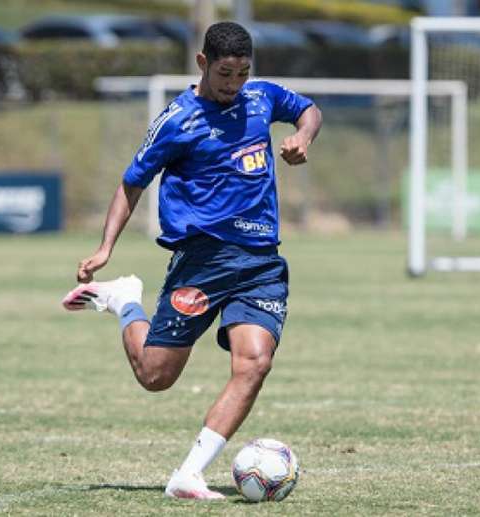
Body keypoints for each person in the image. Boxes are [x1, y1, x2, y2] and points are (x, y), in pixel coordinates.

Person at [62, 21, 322, 500]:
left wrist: (303, 137)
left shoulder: (261, 98)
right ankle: (124, 302)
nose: (234, 83)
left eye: (243, 73)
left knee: (255, 363)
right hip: (202, 260)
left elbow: (308, 110)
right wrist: (105, 249)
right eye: (226, 73)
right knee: (155, 375)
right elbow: (131, 182)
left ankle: (188, 475)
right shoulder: (177, 120)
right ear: (203, 63)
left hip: (262, 260)